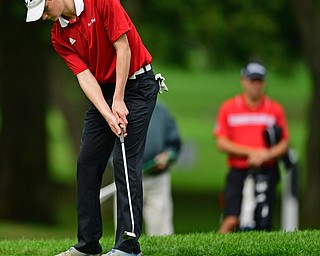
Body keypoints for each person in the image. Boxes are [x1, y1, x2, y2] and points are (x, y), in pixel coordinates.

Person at [25, 0, 158, 255]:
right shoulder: (59, 35)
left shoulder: (102, 2)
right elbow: (84, 77)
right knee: (87, 161)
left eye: (43, 10)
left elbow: (124, 48)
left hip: (137, 84)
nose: (42, 17)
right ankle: (88, 245)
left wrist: (119, 100)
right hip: (103, 90)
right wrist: (108, 112)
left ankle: (128, 246)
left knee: (124, 161)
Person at [213, 61, 289, 234]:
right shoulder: (229, 107)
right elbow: (221, 142)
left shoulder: (274, 109)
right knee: (231, 217)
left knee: (263, 220)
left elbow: (284, 143)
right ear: (244, 81)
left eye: (259, 81)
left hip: (266, 171)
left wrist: (266, 155)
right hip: (238, 170)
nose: (255, 85)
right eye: (252, 80)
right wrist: (252, 152)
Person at [142, 101, 181, 236]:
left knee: (161, 228)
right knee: (125, 229)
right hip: (126, 178)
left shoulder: (160, 111)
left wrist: (167, 155)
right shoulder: (117, 107)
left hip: (157, 177)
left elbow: (173, 144)